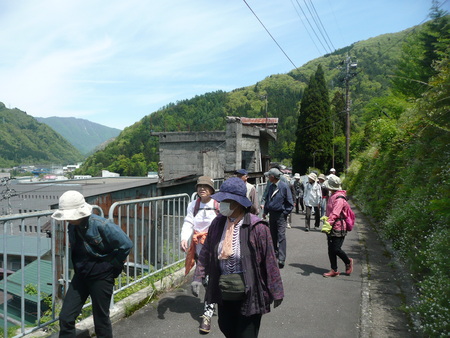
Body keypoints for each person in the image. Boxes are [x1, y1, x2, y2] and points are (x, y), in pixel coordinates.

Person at [192, 177, 284, 338]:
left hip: (250, 291)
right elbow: (206, 251)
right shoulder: (218, 223)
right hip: (225, 291)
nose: (222, 205)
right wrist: (198, 277)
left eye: (227, 201)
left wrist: (276, 291)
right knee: (226, 327)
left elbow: (270, 261)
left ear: (238, 203)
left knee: (246, 333)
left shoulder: (258, 227)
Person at [51, 190, 133, 338]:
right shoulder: (72, 226)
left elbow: (126, 244)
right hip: (81, 276)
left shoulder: (100, 224)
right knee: (66, 317)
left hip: (102, 276)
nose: (67, 219)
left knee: (101, 319)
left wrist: (113, 265)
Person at [180, 176, 219, 334]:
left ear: (211, 189)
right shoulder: (193, 205)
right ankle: (215, 296)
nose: (202, 189)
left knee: (209, 281)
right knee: (205, 280)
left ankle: (207, 315)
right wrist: (184, 237)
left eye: (206, 186)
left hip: (214, 248)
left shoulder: (218, 204)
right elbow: (189, 222)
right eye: (199, 186)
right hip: (198, 248)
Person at [322, 174, 353, 278]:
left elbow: (335, 213)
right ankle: (333, 270)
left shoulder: (339, 199)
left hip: (339, 227)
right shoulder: (333, 195)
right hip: (332, 225)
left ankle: (347, 261)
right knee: (330, 249)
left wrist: (327, 224)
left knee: (336, 249)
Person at [262, 168, 294, 268]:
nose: (267, 177)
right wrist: (265, 211)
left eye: (269, 176)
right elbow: (268, 200)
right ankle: (274, 254)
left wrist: (284, 213)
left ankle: (281, 258)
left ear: (273, 177)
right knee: (273, 235)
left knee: (281, 236)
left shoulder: (284, 187)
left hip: (280, 215)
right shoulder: (271, 186)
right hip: (272, 214)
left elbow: (290, 203)